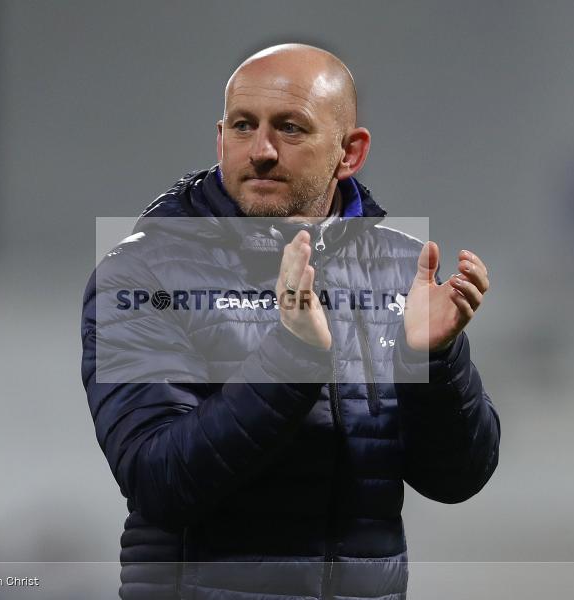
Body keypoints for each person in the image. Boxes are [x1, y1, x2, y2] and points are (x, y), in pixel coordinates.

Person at [81, 43, 500, 600]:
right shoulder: (142, 271)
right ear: (219, 138)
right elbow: (160, 481)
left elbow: (456, 479)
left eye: (291, 128)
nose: (261, 150)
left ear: (350, 152)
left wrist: (434, 361)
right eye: (242, 126)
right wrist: (292, 359)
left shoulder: (403, 269)